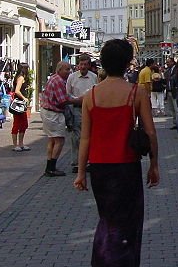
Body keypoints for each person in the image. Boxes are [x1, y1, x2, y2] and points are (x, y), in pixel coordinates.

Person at [74, 38, 159, 267]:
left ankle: (102, 261)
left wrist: (81, 172)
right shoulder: (137, 93)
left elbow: (85, 138)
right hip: (126, 166)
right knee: (129, 223)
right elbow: (150, 133)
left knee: (108, 219)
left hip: (100, 168)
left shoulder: (91, 96)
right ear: (126, 63)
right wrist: (154, 164)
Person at [41, 61, 82, 177]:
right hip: (53, 113)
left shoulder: (54, 78)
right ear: (59, 70)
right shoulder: (59, 81)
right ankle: (51, 167)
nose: (69, 72)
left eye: (70, 69)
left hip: (48, 112)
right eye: (67, 69)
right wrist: (78, 100)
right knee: (59, 140)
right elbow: (63, 100)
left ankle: (49, 167)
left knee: (52, 140)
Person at [66, 54, 98, 173]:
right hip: (77, 109)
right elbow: (67, 94)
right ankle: (76, 163)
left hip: (90, 110)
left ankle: (89, 161)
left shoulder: (94, 77)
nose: (83, 67)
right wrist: (75, 100)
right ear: (78, 65)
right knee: (77, 136)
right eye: (81, 64)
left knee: (90, 135)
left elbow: (96, 92)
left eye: (85, 64)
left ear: (89, 65)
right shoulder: (72, 77)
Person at [11, 63, 32, 151]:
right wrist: (24, 98)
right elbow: (17, 91)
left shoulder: (20, 77)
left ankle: (21, 144)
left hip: (21, 104)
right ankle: (16, 145)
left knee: (23, 124)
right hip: (19, 103)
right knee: (18, 123)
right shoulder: (20, 78)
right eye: (26, 68)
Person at [164, 56, 178, 127]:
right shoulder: (167, 71)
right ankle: (175, 123)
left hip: (174, 91)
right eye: (167, 62)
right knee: (171, 108)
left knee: (176, 108)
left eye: (168, 62)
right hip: (168, 91)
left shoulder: (176, 69)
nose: (167, 63)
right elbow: (166, 80)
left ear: (172, 62)